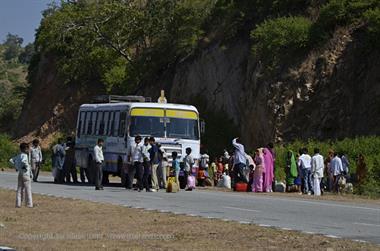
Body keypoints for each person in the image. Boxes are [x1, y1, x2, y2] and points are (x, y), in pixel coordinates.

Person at [10, 143, 33, 208]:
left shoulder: (18, 155)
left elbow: (11, 160)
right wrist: (25, 167)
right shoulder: (25, 155)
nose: (28, 150)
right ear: (25, 149)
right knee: (28, 189)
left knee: (19, 189)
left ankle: (18, 204)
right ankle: (29, 204)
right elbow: (24, 161)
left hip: (20, 173)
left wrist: (17, 167)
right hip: (26, 173)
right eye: (27, 148)